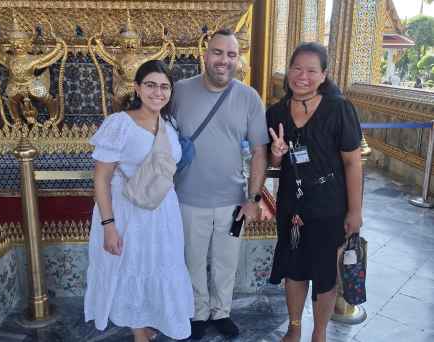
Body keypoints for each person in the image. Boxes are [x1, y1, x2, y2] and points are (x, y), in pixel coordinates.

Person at [84, 60, 194, 342]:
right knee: (131, 267)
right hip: (128, 213)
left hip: (163, 213)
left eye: (164, 86)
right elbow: (101, 179)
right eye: (150, 85)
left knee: (158, 266)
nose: (157, 92)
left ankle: (148, 321)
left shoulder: (168, 124)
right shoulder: (120, 123)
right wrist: (109, 226)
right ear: (137, 88)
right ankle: (137, 330)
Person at [172, 29, 269, 339]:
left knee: (226, 262)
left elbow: (259, 151)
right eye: (217, 52)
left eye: (230, 54)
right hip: (188, 196)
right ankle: (198, 313)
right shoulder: (178, 92)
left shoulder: (249, 97)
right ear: (205, 53)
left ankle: (221, 311)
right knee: (193, 261)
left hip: (231, 199)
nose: (223, 60)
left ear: (237, 59)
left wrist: (253, 199)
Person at [266, 42, 363, 342]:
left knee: (324, 273)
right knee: (294, 269)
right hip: (292, 206)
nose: (302, 76)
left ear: (324, 75)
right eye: (296, 68)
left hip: (329, 205)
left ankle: (319, 333)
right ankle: (294, 326)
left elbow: (352, 163)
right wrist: (277, 154)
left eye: (311, 70)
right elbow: (273, 162)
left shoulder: (339, 109)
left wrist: (355, 211)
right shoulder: (276, 112)